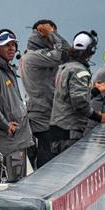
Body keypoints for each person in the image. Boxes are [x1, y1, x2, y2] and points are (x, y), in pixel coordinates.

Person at [49, 30, 105, 157]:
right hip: (70, 134)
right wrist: (100, 117)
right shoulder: (79, 70)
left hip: (57, 131)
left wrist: (95, 91)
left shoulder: (65, 67)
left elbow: (70, 97)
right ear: (91, 50)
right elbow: (79, 103)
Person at [0, 29, 34, 182]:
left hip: (18, 140)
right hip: (8, 141)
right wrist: (5, 125)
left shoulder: (6, 69)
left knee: (19, 182)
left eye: (14, 45)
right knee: (11, 185)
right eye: (7, 45)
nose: (12, 48)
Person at [19, 19, 69, 167]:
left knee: (45, 155)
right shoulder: (34, 57)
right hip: (42, 116)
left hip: (43, 113)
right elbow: (65, 52)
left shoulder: (32, 55)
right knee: (48, 160)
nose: (55, 37)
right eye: (51, 33)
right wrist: (51, 34)